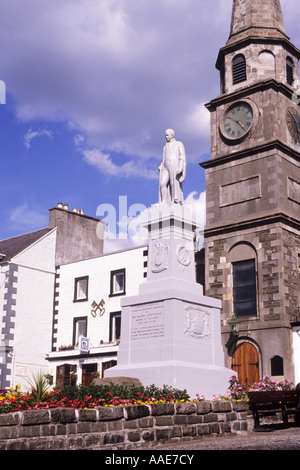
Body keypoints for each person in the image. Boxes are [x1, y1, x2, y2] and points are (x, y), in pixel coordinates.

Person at [159, 129, 186, 204]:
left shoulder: (179, 144)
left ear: (172, 135)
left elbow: (182, 156)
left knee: (173, 182)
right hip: (165, 166)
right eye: (165, 135)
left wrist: (180, 166)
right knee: (162, 183)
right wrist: (161, 165)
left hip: (174, 164)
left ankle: (174, 200)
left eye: (167, 135)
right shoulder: (165, 147)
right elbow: (164, 158)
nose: (166, 137)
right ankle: (164, 201)